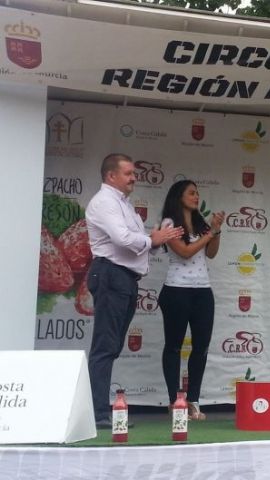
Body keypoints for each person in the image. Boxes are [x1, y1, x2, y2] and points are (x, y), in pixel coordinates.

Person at [86, 153, 183, 429]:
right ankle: (97, 414)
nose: (133, 178)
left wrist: (156, 240)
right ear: (111, 176)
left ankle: (99, 411)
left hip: (124, 278)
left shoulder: (124, 204)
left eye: (133, 173)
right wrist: (152, 239)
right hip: (111, 274)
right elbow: (122, 239)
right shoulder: (105, 202)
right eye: (128, 173)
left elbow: (136, 243)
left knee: (112, 346)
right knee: (105, 346)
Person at [158, 180, 224, 420]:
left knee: (201, 347)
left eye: (198, 193)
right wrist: (210, 234)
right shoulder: (169, 223)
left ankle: (194, 401)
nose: (196, 197)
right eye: (192, 193)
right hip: (176, 290)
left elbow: (211, 253)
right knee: (174, 346)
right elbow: (185, 252)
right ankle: (175, 401)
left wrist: (216, 230)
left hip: (202, 291)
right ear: (179, 196)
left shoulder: (200, 223)